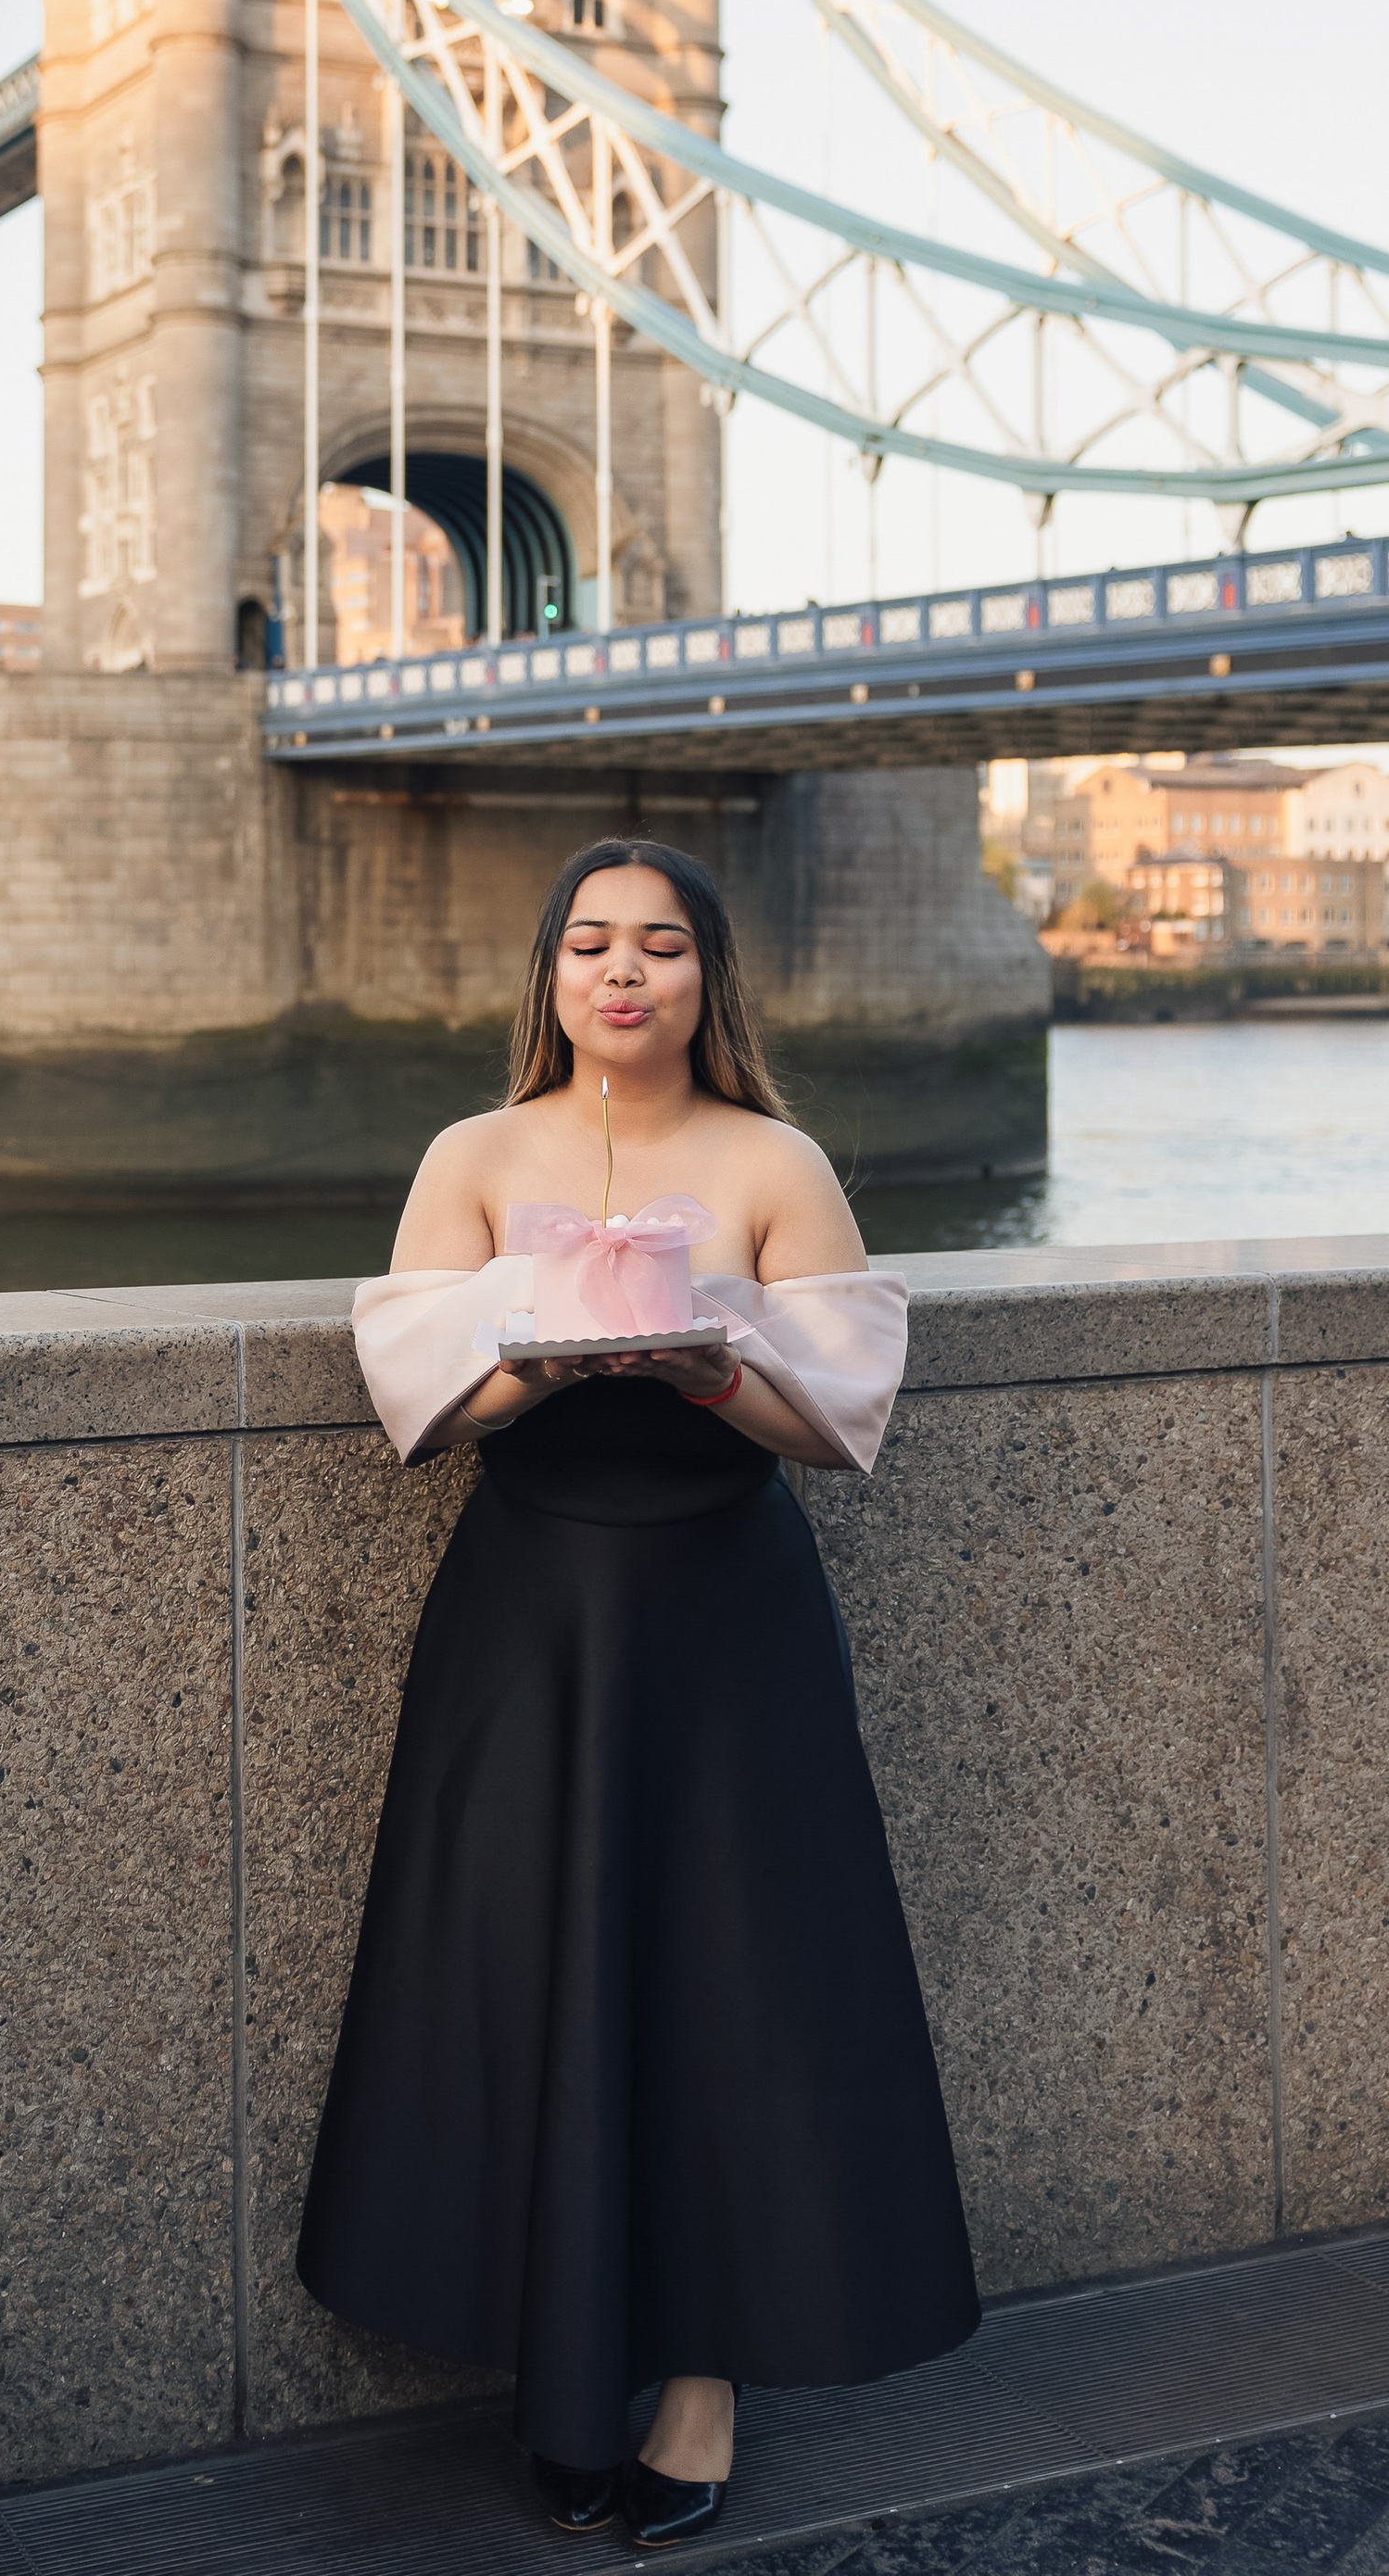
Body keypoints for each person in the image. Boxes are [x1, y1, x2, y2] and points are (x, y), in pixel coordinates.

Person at [297, 838, 979, 2547]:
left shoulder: (776, 1159)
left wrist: (707, 1359)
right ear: (550, 977)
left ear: (705, 981)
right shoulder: (474, 1151)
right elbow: (416, 1398)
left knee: (732, 1981)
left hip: (725, 1617)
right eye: (592, 945)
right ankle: (558, 2361)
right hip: (527, 1609)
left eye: (660, 947)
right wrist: (526, 1356)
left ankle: (699, 2384)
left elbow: (839, 1417)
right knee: (523, 1966)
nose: (624, 974)